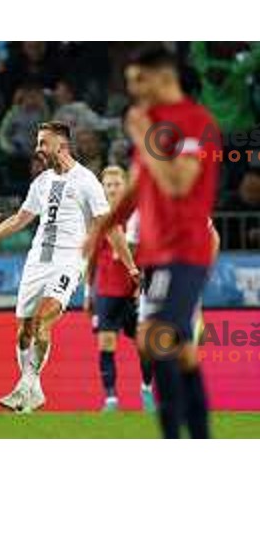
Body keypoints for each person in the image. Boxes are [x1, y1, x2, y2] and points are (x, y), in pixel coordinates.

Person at [84, 48, 221, 439]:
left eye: (137, 81)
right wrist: (103, 227)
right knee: (179, 349)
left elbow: (179, 183)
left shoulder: (195, 122)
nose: (132, 90)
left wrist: (143, 137)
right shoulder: (155, 123)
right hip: (156, 254)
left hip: (186, 249)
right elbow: (139, 186)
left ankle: (172, 437)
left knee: (155, 338)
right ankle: (198, 436)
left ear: (162, 77)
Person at [0, 121, 138, 413]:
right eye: (38, 142)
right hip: (36, 261)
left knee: (43, 318)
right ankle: (35, 391)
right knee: (24, 331)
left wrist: (130, 266)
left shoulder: (87, 180)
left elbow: (110, 227)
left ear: (61, 145)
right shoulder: (41, 183)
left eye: (43, 143)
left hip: (68, 261)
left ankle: (24, 386)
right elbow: (19, 220)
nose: (38, 148)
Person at [83, 166, 154, 412]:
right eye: (108, 185)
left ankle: (146, 390)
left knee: (145, 345)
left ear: (125, 186)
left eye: (116, 184)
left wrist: (143, 285)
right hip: (106, 291)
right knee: (106, 343)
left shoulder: (138, 215)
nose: (112, 188)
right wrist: (87, 293)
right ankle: (111, 399)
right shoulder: (97, 218)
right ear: (102, 189)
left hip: (136, 290)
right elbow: (90, 258)